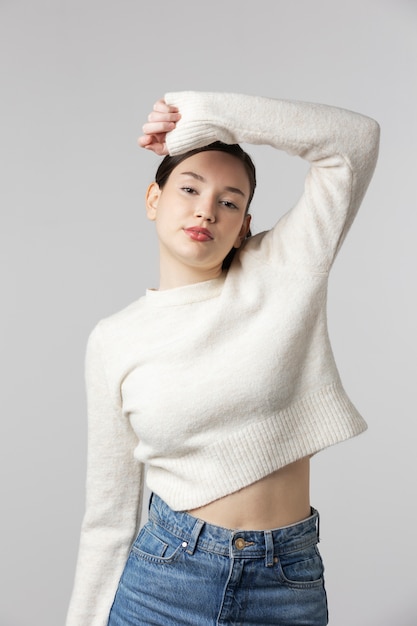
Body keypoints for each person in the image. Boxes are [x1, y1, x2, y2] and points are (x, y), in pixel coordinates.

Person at [66, 91, 380, 626]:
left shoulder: (282, 271)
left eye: (229, 201)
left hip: (286, 580)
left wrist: (202, 111)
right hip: (163, 579)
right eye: (188, 189)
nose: (206, 209)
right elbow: (109, 517)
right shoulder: (114, 340)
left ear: (245, 225)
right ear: (153, 199)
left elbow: (354, 142)